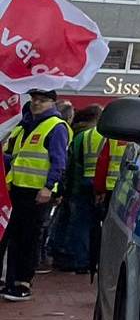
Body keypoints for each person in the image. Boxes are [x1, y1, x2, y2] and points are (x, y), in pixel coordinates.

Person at [2, 89, 71, 300]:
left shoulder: (56, 127)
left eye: (42, 100)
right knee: (14, 236)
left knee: (30, 238)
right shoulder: (25, 125)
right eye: (34, 100)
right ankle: (12, 280)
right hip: (17, 188)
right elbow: (14, 156)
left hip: (37, 191)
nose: (36, 104)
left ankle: (23, 282)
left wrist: (49, 187)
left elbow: (58, 161)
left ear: (52, 103)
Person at [50, 104, 101, 273]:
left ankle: (68, 256)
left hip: (79, 184)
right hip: (95, 185)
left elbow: (72, 162)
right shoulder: (100, 135)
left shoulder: (79, 135)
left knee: (74, 222)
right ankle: (81, 260)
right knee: (85, 224)